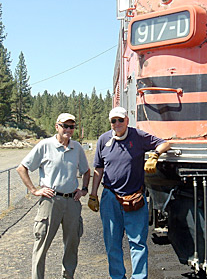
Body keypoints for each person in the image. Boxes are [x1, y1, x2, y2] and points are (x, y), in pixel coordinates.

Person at [88, 106, 170, 279]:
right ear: (110, 123)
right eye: (113, 121)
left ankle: (139, 277)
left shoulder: (138, 136)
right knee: (112, 243)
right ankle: (117, 276)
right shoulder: (104, 140)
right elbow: (98, 169)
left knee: (138, 243)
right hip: (110, 198)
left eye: (120, 120)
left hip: (135, 198)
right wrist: (93, 194)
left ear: (127, 120)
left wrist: (155, 155)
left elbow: (165, 143)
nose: (117, 124)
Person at [16, 113, 90, 279]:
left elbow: (86, 171)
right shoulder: (45, 145)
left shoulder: (77, 147)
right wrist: (35, 190)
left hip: (72, 201)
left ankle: (67, 276)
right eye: (65, 126)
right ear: (57, 126)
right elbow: (22, 168)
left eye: (72, 126)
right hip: (50, 201)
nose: (68, 130)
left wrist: (84, 189)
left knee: (72, 245)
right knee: (41, 245)